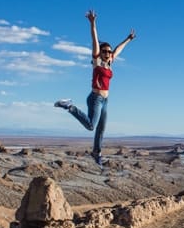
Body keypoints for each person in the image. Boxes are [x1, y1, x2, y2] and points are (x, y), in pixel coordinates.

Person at [55, 9, 135, 165]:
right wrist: (93, 23)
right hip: (95, 98)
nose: (108, 53)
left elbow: (118, 48)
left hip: (106, 100)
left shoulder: (110, 61)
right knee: (92, 126)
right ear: (100, 53)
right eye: (105, 51)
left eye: (109, 51)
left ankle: (96, 153)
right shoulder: (97, 61)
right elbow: (94, 40)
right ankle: (70, 106)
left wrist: (128, 39)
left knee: (101, 128)